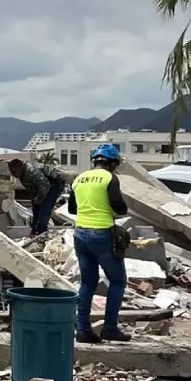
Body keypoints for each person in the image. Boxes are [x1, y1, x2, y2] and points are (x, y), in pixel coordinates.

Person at [68, 143, 131, 343]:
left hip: (80, 233)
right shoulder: (109, 178)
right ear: (112, 163)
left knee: (87, 282)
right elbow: (119, 207)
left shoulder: (79, 179)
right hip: (102, 233)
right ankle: (110, 328)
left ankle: (82, 329)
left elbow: (72, 209)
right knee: (118, 281)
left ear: (95, 161)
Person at [8, 158, 67, 237]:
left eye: (14, 172)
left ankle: (42, 233)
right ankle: (35, 230)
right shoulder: (22, 174)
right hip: (40, 187)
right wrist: (35, 200)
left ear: (20, 168)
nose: (13, 174)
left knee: (44, 209)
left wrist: (38, 199)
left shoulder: (33, 171)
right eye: (12, 172)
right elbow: (32, 189)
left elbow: (45, 186)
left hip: (53, 183)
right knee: (35, 207)